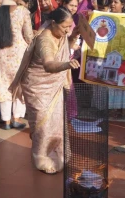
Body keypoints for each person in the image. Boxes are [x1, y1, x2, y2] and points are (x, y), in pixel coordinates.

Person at [9, 7, 80, 174]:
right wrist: (66, 65)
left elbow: (64, 46)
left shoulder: (58, 32)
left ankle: (58, 153)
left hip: (53, 86)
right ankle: (41, 157)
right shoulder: (44, 40)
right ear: (53, 23)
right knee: (42, 124)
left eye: (69, 27)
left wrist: (74, 34)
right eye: (65, 27)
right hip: (37, 87)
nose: (67, 30)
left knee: (57, 121)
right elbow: (49, 65)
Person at [0, 0, 33, 130]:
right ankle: (16, 119)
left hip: (1, 54)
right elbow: (29, 36)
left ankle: (6, 122)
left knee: (4, 87)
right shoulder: (22, 11)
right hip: (19, 53)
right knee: (19, 86)